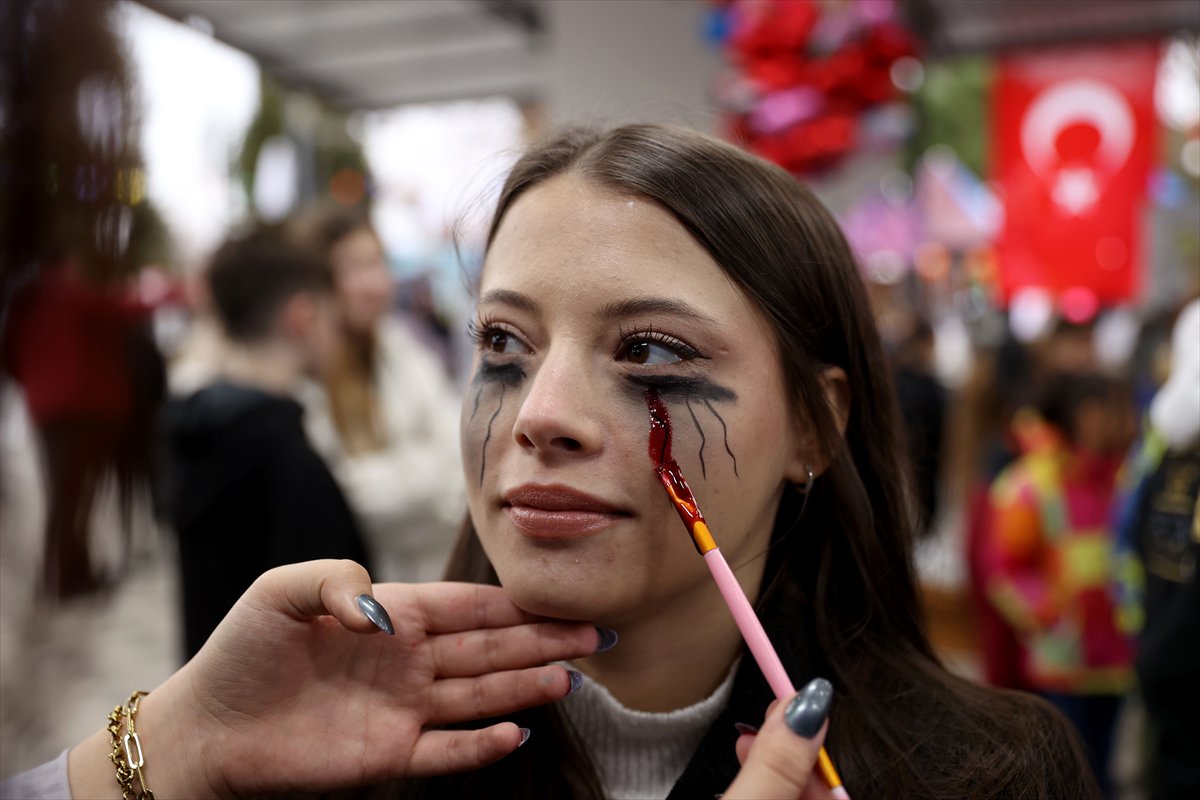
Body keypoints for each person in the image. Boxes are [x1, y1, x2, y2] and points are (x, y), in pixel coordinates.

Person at [4, 124, 1097, 799]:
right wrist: (174, 749)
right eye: (502, 345)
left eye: (651, 350)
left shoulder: (992, 771)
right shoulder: (326, 752)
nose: (542, 413)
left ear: (814, 424)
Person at [162, 228, 372, 658]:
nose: (339, 338)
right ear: (303, 317)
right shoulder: (286, 457)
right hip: (283, 704)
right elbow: (328, 632)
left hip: (211, 682)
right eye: (334, 321)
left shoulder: (200, 428)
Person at [288, 207, 464, 583]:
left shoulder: (400, 349)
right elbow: (351, 498)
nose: (376, 284)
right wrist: (433, 477)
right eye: (355, 269)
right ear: (318, 281)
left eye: (377, 264)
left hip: (441, 575)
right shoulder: (302, 377)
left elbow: (464, 456)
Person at [985, 371, 1136, 796]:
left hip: (1117, 660)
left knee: (1105, 774)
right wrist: (1052, 617)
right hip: (1062, 662)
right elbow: (1003, 571)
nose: (1112, 420)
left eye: (1117, 408)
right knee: (1068, 777)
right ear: (1071, 415)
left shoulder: (1127, 478)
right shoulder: (1031, 484)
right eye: (1098, 409)